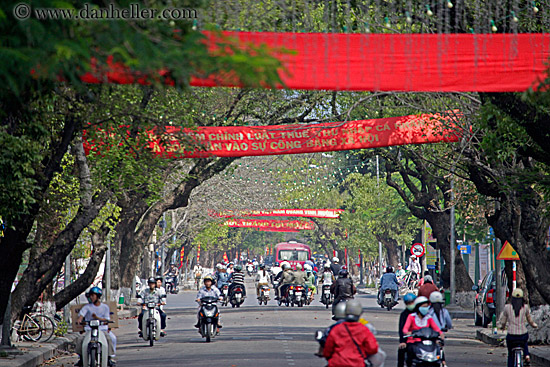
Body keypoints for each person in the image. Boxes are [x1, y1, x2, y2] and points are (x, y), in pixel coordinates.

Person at [323, 299, 380, 367]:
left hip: (337, 363)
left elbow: (327, 350)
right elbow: (372, 348)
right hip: (357, 364)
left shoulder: (336, 329)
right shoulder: (364, 330)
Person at [74, 287, 116, 367]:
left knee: (110, 338)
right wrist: (79, 320)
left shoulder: (105, 307)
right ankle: (82, 358)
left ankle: (109, 358)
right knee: (80, 339)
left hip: (102, 330)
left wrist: (97, 317)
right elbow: (81, 315)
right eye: (90, 296)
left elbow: (106, 319)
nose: (91, 297)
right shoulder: (87, 307)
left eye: (93, 295)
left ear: (98, 296)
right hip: (89, 330)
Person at [498, 288, 538, 367]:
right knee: (524, 342)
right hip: (522, 334)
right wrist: (534, 325)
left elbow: (503, 321)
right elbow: (530, 320)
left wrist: (502, 327)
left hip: (511, 336)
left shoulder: (507, 308)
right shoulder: (525, 308)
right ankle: (526, 355)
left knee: (510, 354)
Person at [402, 296, 444, 367]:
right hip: (414, 341)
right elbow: (405, 329)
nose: (425, 309)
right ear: (418, 307)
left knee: (438, 349)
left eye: (426, 307)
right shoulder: (411, 317)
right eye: (423, 307)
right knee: (408, 351)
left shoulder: (429, 318)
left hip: (428, 341)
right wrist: (410, 333)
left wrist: (441, 334)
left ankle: (443, 363)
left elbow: (436, 328)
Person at [398, 293, 417, 367]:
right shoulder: (404, 314)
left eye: (412, 302)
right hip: (410, 339)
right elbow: (402, 329)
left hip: (422, 339)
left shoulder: (421, 313)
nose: (410, 304)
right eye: (408, 303)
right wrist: (402, 341)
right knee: (401, 351)